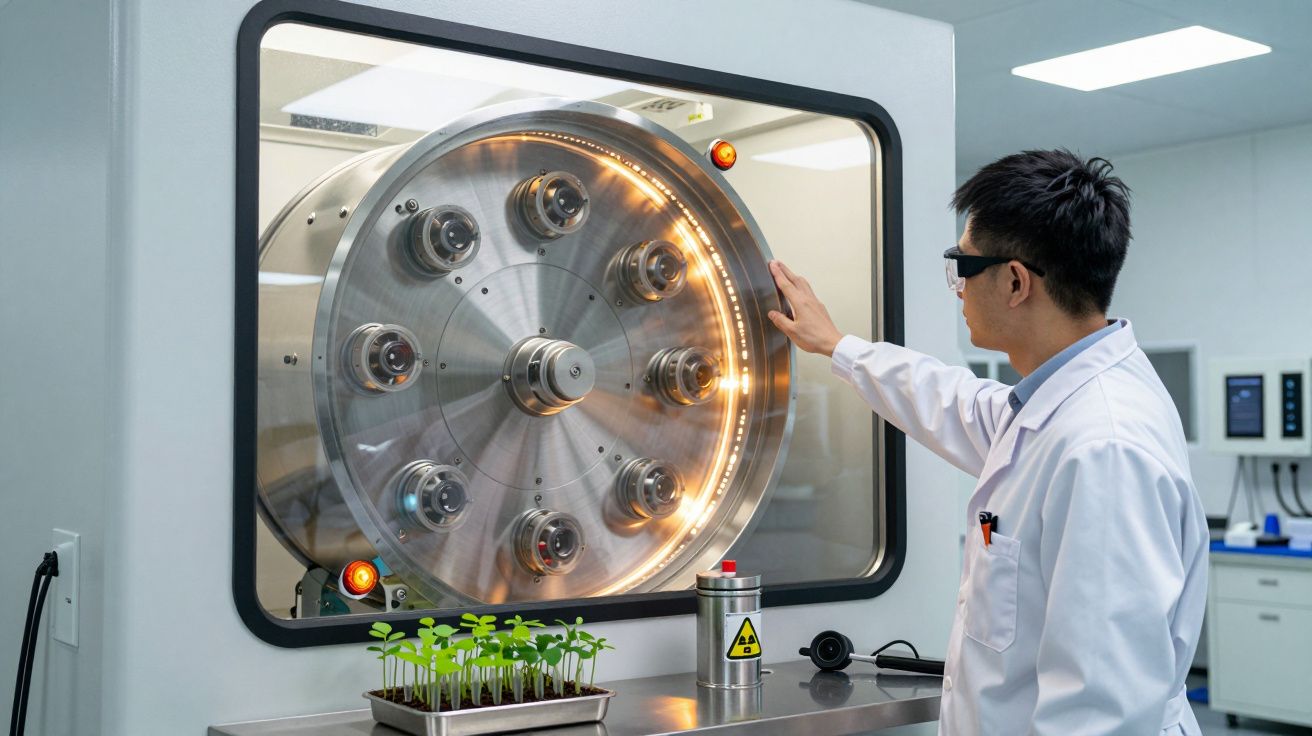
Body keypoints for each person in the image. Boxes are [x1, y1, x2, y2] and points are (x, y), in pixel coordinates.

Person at [767, 149, 1208, 735]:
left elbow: (1104, 708)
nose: (957, 289)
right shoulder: (1054, 408)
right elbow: (953, 401)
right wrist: (838, 346)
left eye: (962, 267)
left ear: (1015, 281)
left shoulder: (1102, 446)